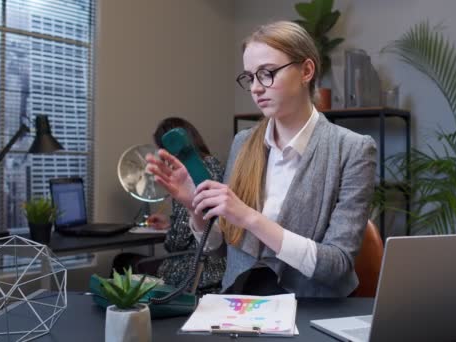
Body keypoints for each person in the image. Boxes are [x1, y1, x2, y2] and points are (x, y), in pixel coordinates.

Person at [147, 21, 376, 297]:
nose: (256, 88)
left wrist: (248, 217)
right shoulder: (243, 143)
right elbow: (221, 250)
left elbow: (336, 266)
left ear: (306, 70)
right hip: (242, 303)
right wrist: (194, 205)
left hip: (312, 308)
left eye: (266, 74)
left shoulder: (352, 150)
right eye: (250, 77)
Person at [114, 117, 226, 294]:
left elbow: (177, 242)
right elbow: (203, 218)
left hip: (197, 270)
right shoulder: (215, 165)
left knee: (123, 260)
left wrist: (171, 232)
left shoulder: (187, 174)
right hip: (221, 267)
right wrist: (169, 223)